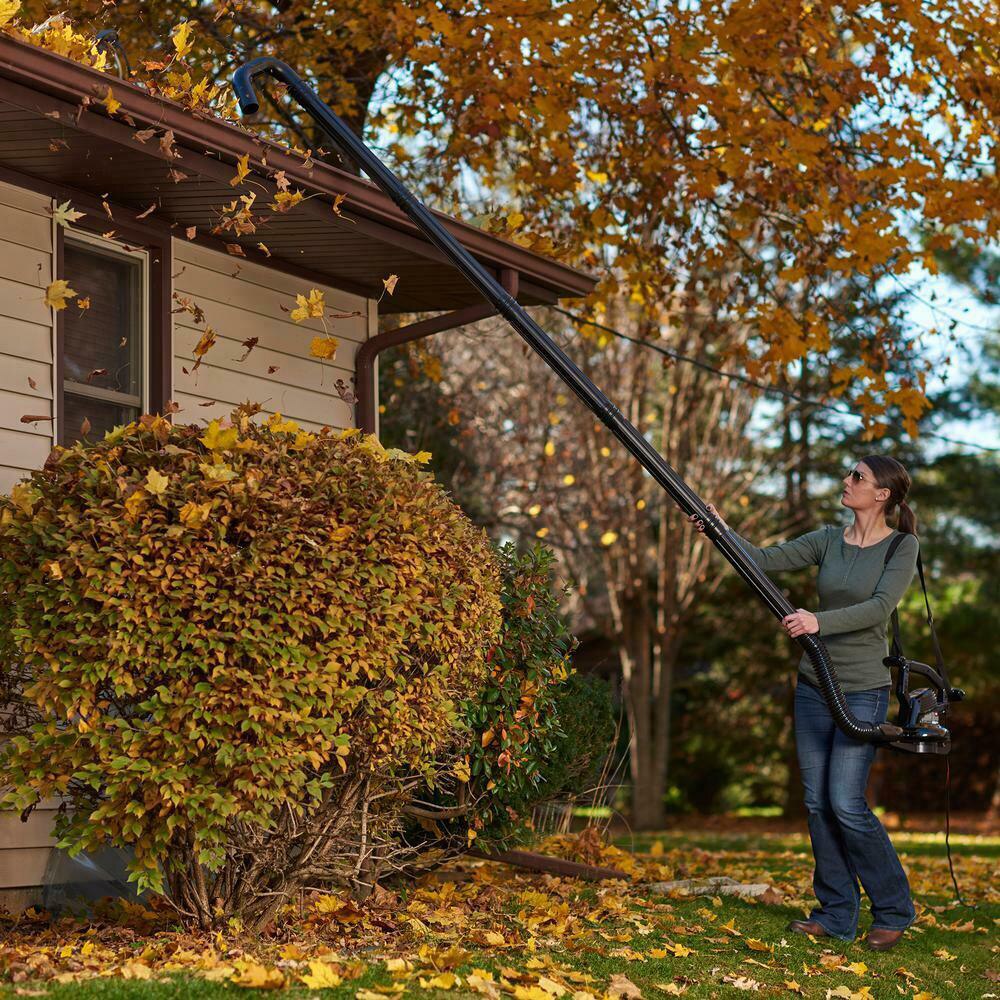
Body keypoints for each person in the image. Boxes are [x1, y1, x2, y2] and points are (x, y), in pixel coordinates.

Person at [689, 455, 919, 951]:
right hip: (814, 684)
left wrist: (818, 622)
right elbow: (763, 559)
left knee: (846, 803)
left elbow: (880, 606)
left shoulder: (902, 546)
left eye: (858, 476)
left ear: (882, 494)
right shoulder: (827, 539)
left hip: (861, 688)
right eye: (849, 473)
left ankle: (895, 910)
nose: (847, 481)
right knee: (817, 803)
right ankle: (836, 913)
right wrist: (719, 531)